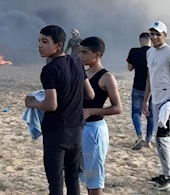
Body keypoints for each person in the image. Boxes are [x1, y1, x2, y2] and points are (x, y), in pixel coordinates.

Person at [25, 25, 94, 195]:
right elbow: (90, 94)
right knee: (72, 179)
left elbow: (51, 105)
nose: (39, 45)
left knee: (55, 184)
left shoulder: (50, 69)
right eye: (39, 41)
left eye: (45, 41)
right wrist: (71, 94)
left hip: (56, 132)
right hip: (77, 130)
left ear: (58, 45)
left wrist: (32, 103)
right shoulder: (77, 63)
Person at [78, 37, 122, 195]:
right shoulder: (83, 73)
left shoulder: (106, 77)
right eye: (79, 52)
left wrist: (91, 111)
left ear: (96, 54)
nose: (80, 56)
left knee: (94, 178)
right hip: (79, 128)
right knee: (82, 173)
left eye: (85, 52)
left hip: (94, 130)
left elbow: (117, 108)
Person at [143, 21, 170, 190]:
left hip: (167, 100)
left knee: (162, 137)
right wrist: (146, 100)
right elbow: (149, 78)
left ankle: (168, 176)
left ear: (165, 35)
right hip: (156, 100)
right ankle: (165, 173)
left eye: (158, 34)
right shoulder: (150, 52)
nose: (154, 37)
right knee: (159, 138)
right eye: (152, 34)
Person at [126, 32, 154, 150]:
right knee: (150, 115)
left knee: (136, 112)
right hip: (152, 89)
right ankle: (148, 141)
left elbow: (129, 68)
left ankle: (139, 135)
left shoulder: (133, 51)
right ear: (150, 41)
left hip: (137, 86)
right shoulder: (154, 52)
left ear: (140, 41)